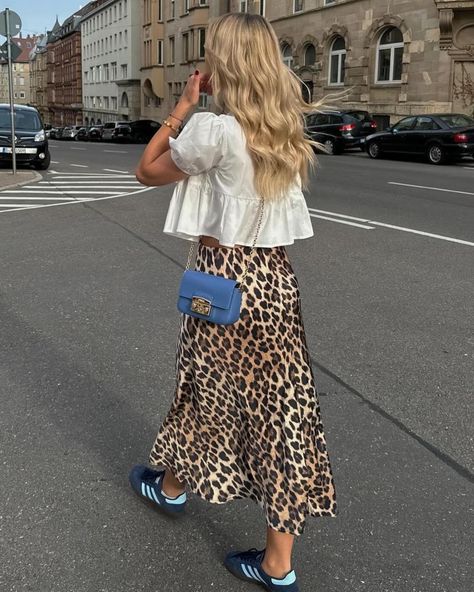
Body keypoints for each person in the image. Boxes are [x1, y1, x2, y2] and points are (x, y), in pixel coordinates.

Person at [129, 12, 337, 592]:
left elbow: (146, 170)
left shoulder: (216, 130)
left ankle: (171, 487)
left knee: (205, 387)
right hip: (275, 280)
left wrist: (181, 107)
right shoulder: (284, 128)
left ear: (224, 64)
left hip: (223, 278)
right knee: (282, 408)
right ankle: (278, 561)